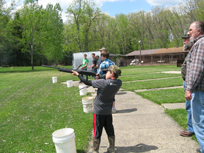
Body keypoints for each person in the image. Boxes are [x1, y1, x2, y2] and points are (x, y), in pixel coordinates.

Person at [72, 65, 122, 153]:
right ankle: (111, 148)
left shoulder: (102, 83)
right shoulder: (118, 83)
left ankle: (95, 150)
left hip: (98, 112)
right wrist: (100, 77)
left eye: (107, 72)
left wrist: (78, 75)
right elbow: (109, 81)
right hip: (108, 112)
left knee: (97, 131)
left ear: (111, 73)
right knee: (110, 129)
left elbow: (87, 82)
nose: (105, 73)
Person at [185, 21, 204, 153]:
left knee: (199, 123)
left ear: (199, 31)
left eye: (191, 30)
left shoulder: (200, 44)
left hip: (199, 90)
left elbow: (197, 69)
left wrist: (189, 88)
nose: (188, 32)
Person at [180, 34, 194, 137]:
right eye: (184, 39)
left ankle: (191, 129)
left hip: (192, 84)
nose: (184, 41)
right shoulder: (191, 51)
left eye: (187, 39)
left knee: (192, 107)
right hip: (188, 82)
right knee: (190, 107)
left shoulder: (196, 51)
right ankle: (191, 128)